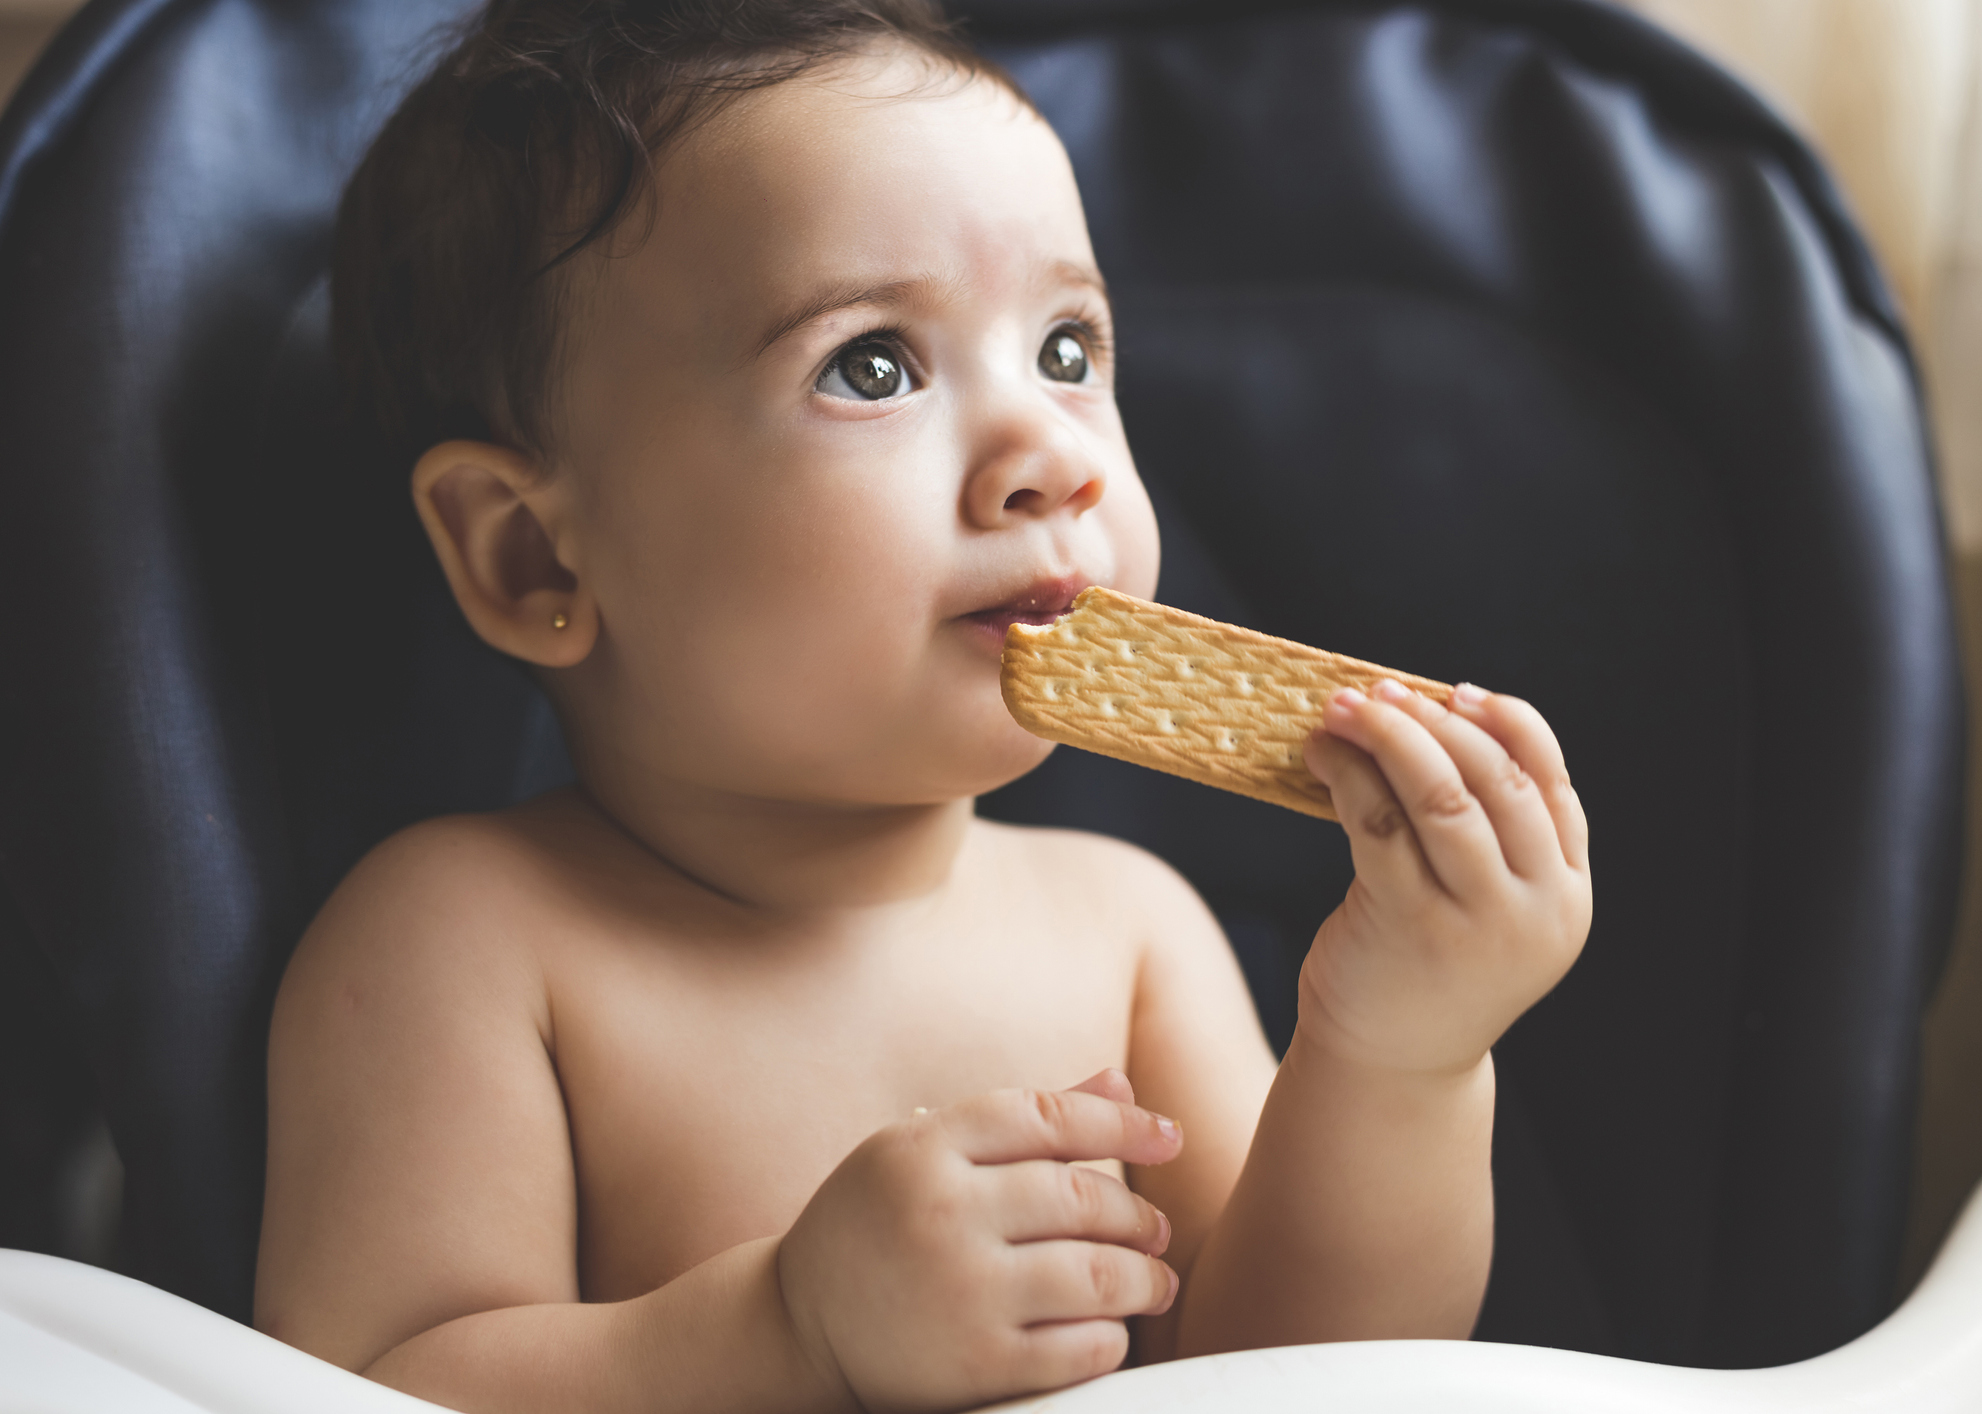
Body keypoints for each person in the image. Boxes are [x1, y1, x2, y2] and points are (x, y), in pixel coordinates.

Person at [252, 2, 1593, 1410]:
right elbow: (364, 1383)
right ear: (532, 553)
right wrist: (779, 1333)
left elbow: (1305, 1375)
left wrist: (1404, 1056)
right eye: (871, 364)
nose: (1048, 452)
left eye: (1067, 350)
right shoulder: (460, 945)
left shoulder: (1129, 929)